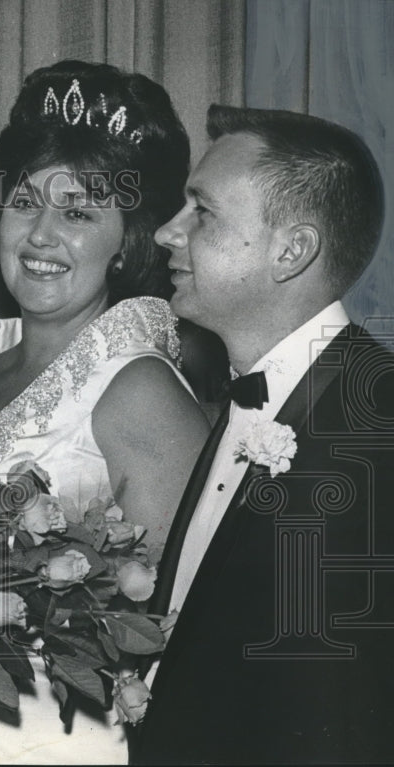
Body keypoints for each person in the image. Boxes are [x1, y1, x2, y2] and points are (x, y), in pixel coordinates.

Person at [0, 61, 211, 764]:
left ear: (127, 237)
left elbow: (184, 631)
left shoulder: (140, 388)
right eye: (25, 201)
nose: (41, 235)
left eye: (78, 212)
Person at [134, 105, 394, 764]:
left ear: (291, 251)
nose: (167, 232)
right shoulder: (241, 393)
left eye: (203, 212)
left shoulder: (378, 427)